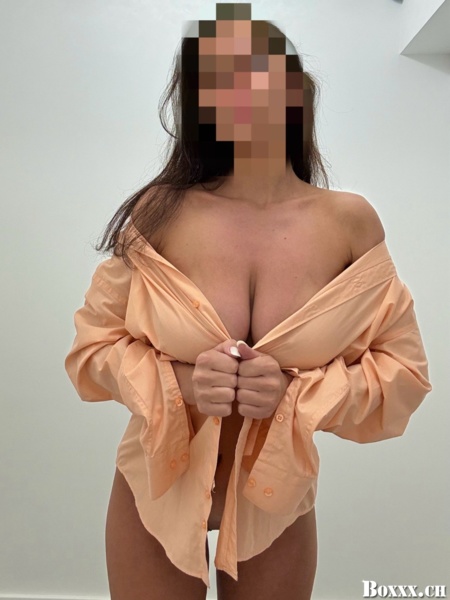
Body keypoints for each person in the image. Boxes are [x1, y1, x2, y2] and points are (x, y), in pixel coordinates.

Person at [64, 3, 432, 599]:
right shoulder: (160, 213)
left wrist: (296, 396)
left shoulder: (349, 224)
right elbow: (91, 349)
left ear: (295, 88)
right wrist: (182, 384)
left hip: (276, 502)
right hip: (153, 488)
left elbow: (404, 374)